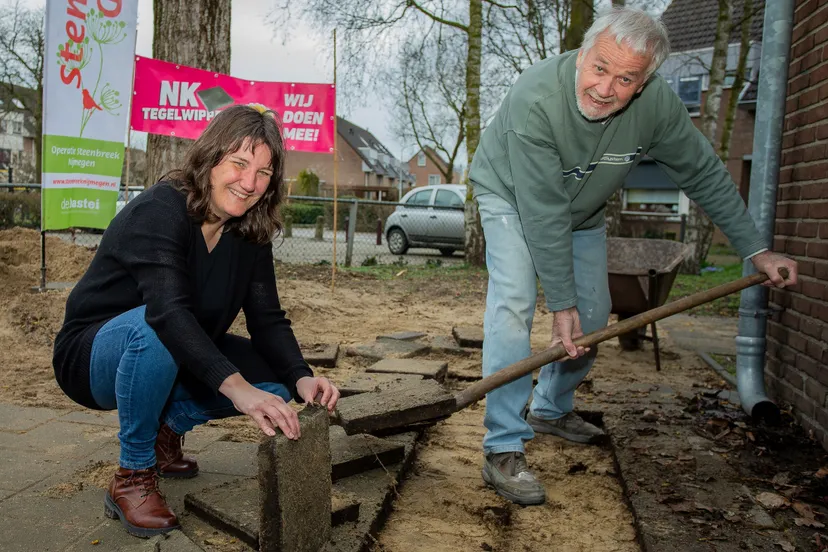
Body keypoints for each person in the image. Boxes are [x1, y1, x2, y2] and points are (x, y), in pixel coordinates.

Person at [468, 6, 798, 506]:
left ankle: (550, 409)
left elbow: (704, 173)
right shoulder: (535, 98)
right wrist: (560, 303)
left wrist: (756, 248)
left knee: (595, 316)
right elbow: (542, 211)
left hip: (583, 211)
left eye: (625, 79)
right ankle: (504, 446)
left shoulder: (657, 108)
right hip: (513, 196)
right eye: (600, 69)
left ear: (642, 84)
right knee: (514, 302)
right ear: (582, 56)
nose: (606, 89)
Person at [53, 104, 340, 537]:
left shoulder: (247, 230)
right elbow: (167, 314)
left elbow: (267, 318)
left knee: (274, 386)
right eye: (239, 163)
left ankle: (165, 431)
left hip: (175, 349)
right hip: (95, 356)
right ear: (210, 158)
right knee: (157, 330)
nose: (249, 183)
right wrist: (237, 391)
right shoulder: (159, 211)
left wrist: (302, 377)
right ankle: (132, 475)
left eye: (263, 173)